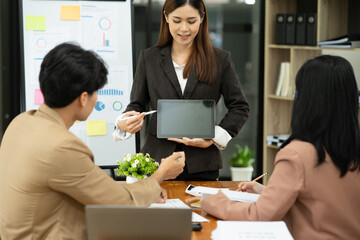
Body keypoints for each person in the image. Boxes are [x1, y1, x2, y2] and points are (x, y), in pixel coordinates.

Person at [0, 43, 185, 240]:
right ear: (83, 98)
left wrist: (147, 188)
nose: (97, 98)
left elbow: (102, 190)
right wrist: (160, 175)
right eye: (96, 91)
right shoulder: (62, 147)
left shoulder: (21, 122)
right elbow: (118, 203)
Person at [201, 55, 360, 239]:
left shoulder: (297, 154)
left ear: (305, 100)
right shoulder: (352, 148)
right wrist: (268, 193)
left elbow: (259, 216)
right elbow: (323, 201)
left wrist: (214, 201)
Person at [113, 0, 250, 181]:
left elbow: (240, 107)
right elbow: (136, 104)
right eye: (177, 20)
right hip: (157, 163)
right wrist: (124, 123)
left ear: (202, 19)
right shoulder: (149, 58)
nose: (184, 28)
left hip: (202, 165)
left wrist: (213, 136)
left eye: (191, 21)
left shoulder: (220, 60)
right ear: (166, 17)